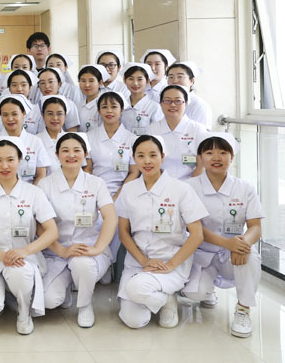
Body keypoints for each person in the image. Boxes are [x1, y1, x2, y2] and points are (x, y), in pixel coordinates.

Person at [116, 135, 207, 329]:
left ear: (162, 157)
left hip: (169, 262)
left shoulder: (181, 189)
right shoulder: (128, 190)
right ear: (134, 158)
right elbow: (123, 232)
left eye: (153, 155)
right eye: (141, 156)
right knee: (134, 321)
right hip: (138, 262)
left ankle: (166, 298)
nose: (147, 161)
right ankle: (162, 298)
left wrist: (171, 264)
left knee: (136, 288)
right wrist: (143, 261)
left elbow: (197, 234)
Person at [0, 136, 58, 334]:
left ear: (20, 160)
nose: (4, 166)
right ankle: (9, 296)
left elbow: (52, 231)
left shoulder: (33, 192)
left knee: (19, 272)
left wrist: (24, 251)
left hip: (24, 257)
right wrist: (2, 255)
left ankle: (24, 312)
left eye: (10, 159)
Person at [182, 133, 263, 338]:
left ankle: (243, 310)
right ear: (201, 157)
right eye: (209, 152)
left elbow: (255, 226)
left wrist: (243, 243)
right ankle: (207, 291)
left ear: (232, 156)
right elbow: (193, 229)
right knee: (194, 293)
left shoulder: (245, 188)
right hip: (202, 252)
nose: (216, 158)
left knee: (250, 255)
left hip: (234, 252)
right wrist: (228, 244)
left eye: (223, 152)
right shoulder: (190, 187)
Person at [39, 133, 117, 328]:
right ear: (57, 155)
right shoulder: (45, 185)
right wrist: (61, 250)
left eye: (77, 150)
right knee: (49, 300)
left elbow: (111, 217)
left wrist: (97, 248)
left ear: (85, 154)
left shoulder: (96, 183)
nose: (71, 155)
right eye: (65, 150)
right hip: (56, 251)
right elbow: (40, 225)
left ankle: (84, 305)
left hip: (87, 248)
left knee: (82, 264)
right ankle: (66, 288)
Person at [0, 95, 49, 185]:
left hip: (30, 192)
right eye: (5, 115)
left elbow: (41, 175)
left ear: (23, 114)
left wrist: (31, 192)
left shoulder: (35, 142)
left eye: (14, 114)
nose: (10, 119)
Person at [84, 92, 140, 200]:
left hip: (123, 195)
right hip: (93, 193)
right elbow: (88, 169)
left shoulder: (132, 139)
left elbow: (134, 172)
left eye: (114, 107)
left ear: (121, 110)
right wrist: (97, 195)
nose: (109, 111)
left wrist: (117, 197)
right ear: (99, 111)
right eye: (104, 107)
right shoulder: (89, 137)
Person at [146, 85, 205, 180]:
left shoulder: (197, 129)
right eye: (167, 101)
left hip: (191, 183)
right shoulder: (152, 130)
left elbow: (202, 165)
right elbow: (148, 162)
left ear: (186, 103)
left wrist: (190, 185)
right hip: (160, 183)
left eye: (178, 101)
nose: (172, 105)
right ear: (161, 103)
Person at [166, 61, 212, 130]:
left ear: (191, 81)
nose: (174, 81)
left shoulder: (199, 105)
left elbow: (202, 133)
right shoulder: (165, 102)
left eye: (180, 76)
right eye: (171, 77)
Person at [122, 63, 164, 135]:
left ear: (147, 81)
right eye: (131, 79)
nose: (135, 83)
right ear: (124, 80)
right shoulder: (121, 105)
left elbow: (157, 133)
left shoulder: (155, 107)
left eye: (140, 79)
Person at [36, 96, 69, 174]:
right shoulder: (35, 141)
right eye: (50, 114)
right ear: (43, 116)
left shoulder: (73, 140)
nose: (55, 118)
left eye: (59, 114)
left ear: (65, 115)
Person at [76, 64, 108, 130]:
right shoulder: (77, 106)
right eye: (83, 81)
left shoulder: (105, 105)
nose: (87, 85)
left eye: (91, 81)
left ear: (100, 83)